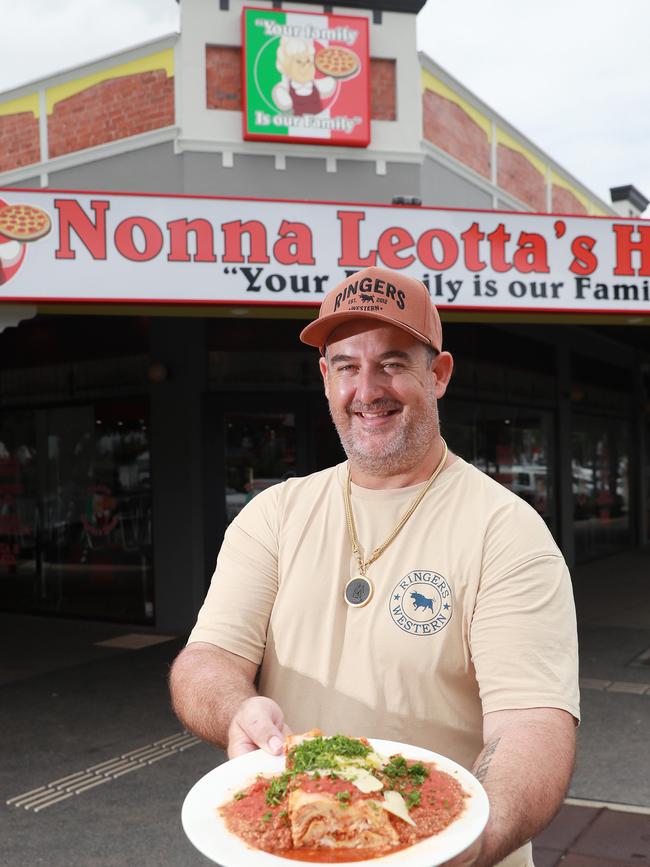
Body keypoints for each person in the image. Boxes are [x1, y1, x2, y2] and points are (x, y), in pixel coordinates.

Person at [169, 266, 580, 867]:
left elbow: (532, 725)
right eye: (345, 366)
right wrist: (236, 710)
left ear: (437, 375)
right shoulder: (274, 515)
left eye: (391, 363)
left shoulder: (506, 531)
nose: (367, 389)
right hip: (296, 841)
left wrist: (466, 844)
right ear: (325, 379)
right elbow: (206, 660)